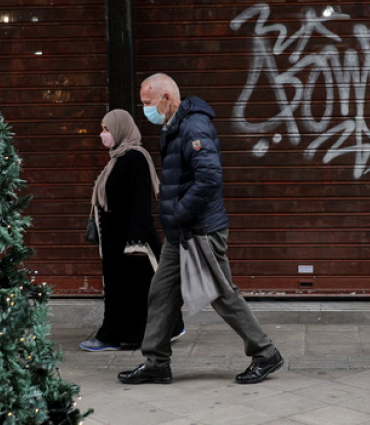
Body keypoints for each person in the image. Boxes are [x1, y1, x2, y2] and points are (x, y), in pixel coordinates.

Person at [117, 73, 283, 385]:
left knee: (221, 294)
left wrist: (179, 213)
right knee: (161, 293)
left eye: (148, 103)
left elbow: (209, 177)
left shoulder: (194, 126)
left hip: (200, 229)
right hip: (179, 231)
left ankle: (265, 353)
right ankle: (156, 363)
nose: (145, 110)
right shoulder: (175, 126)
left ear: (168, 98)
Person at [80, 109, 182, 351]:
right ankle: (127, 334)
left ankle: (113, 336)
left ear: (121, 128)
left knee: (130, 290)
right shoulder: (118, 158)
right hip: (115, 239)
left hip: (127, 240)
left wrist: (134, 241)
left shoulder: (135, 157)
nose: (102, 134)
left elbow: (140, 203)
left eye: (107, 129)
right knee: (124, 290)